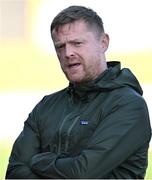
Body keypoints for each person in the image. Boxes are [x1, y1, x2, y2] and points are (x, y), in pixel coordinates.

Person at [6, 5, 151, 179]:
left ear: (103, 42)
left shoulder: (128, 106)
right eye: (60, 47)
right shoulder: (46, 106)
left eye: (77, 43)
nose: (68, 53)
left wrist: (39, 162)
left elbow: (82, 173)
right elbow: (15, 172)